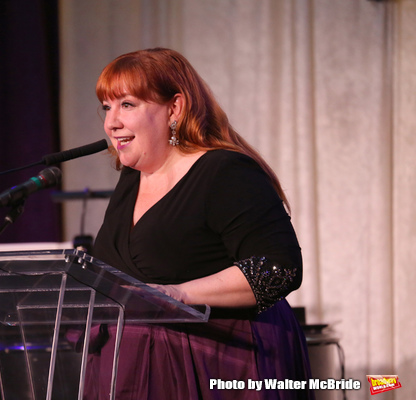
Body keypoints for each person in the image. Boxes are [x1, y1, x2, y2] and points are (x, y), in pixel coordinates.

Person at [85, 48, 313, 399]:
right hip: (136, 368)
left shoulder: (224, 172)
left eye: (127, 105)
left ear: (174, 108)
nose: (111, 122)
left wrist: (178, 294)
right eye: (107, 107)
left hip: (220, 363)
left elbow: (277, 269)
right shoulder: (131, 180)